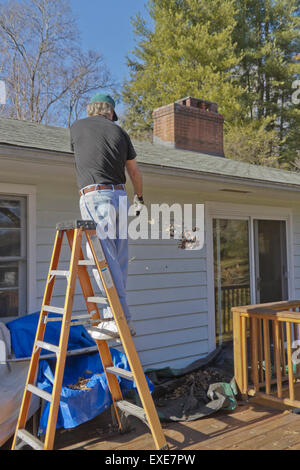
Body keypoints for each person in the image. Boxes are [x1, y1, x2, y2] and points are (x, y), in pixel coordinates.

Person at [70, 93, 144, 340]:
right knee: (119, 261)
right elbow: (133, 171)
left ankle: (115, 319)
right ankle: (122, 319)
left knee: (103, 259)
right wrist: (140, 198)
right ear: (110, 113)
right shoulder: (120, 133)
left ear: (92, 109)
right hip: (121, 198)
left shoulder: (77, 127)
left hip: (96, 195)